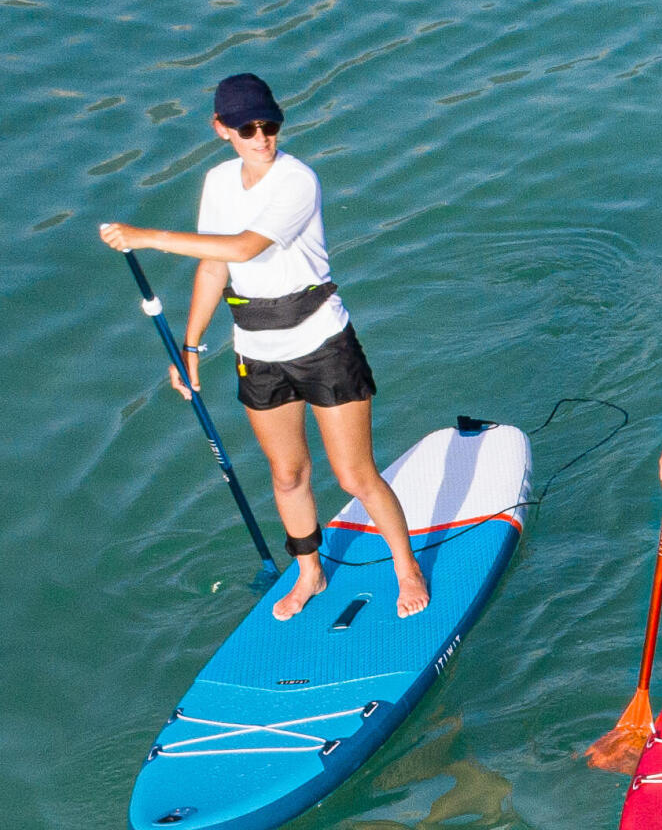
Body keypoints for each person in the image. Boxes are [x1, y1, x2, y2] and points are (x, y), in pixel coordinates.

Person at [99, 73, 428, 619]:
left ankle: (405, 566)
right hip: (258, 348)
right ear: (221, 129)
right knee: (287, 475)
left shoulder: (297, 180)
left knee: (354, 475)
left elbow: (245, 248)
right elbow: (214, 265)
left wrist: (149, 237)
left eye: (270, 124)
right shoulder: (219, 182)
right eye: (247, 128)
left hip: (322, 342)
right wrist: (191, 346)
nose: (262, 137)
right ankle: (310, 571)